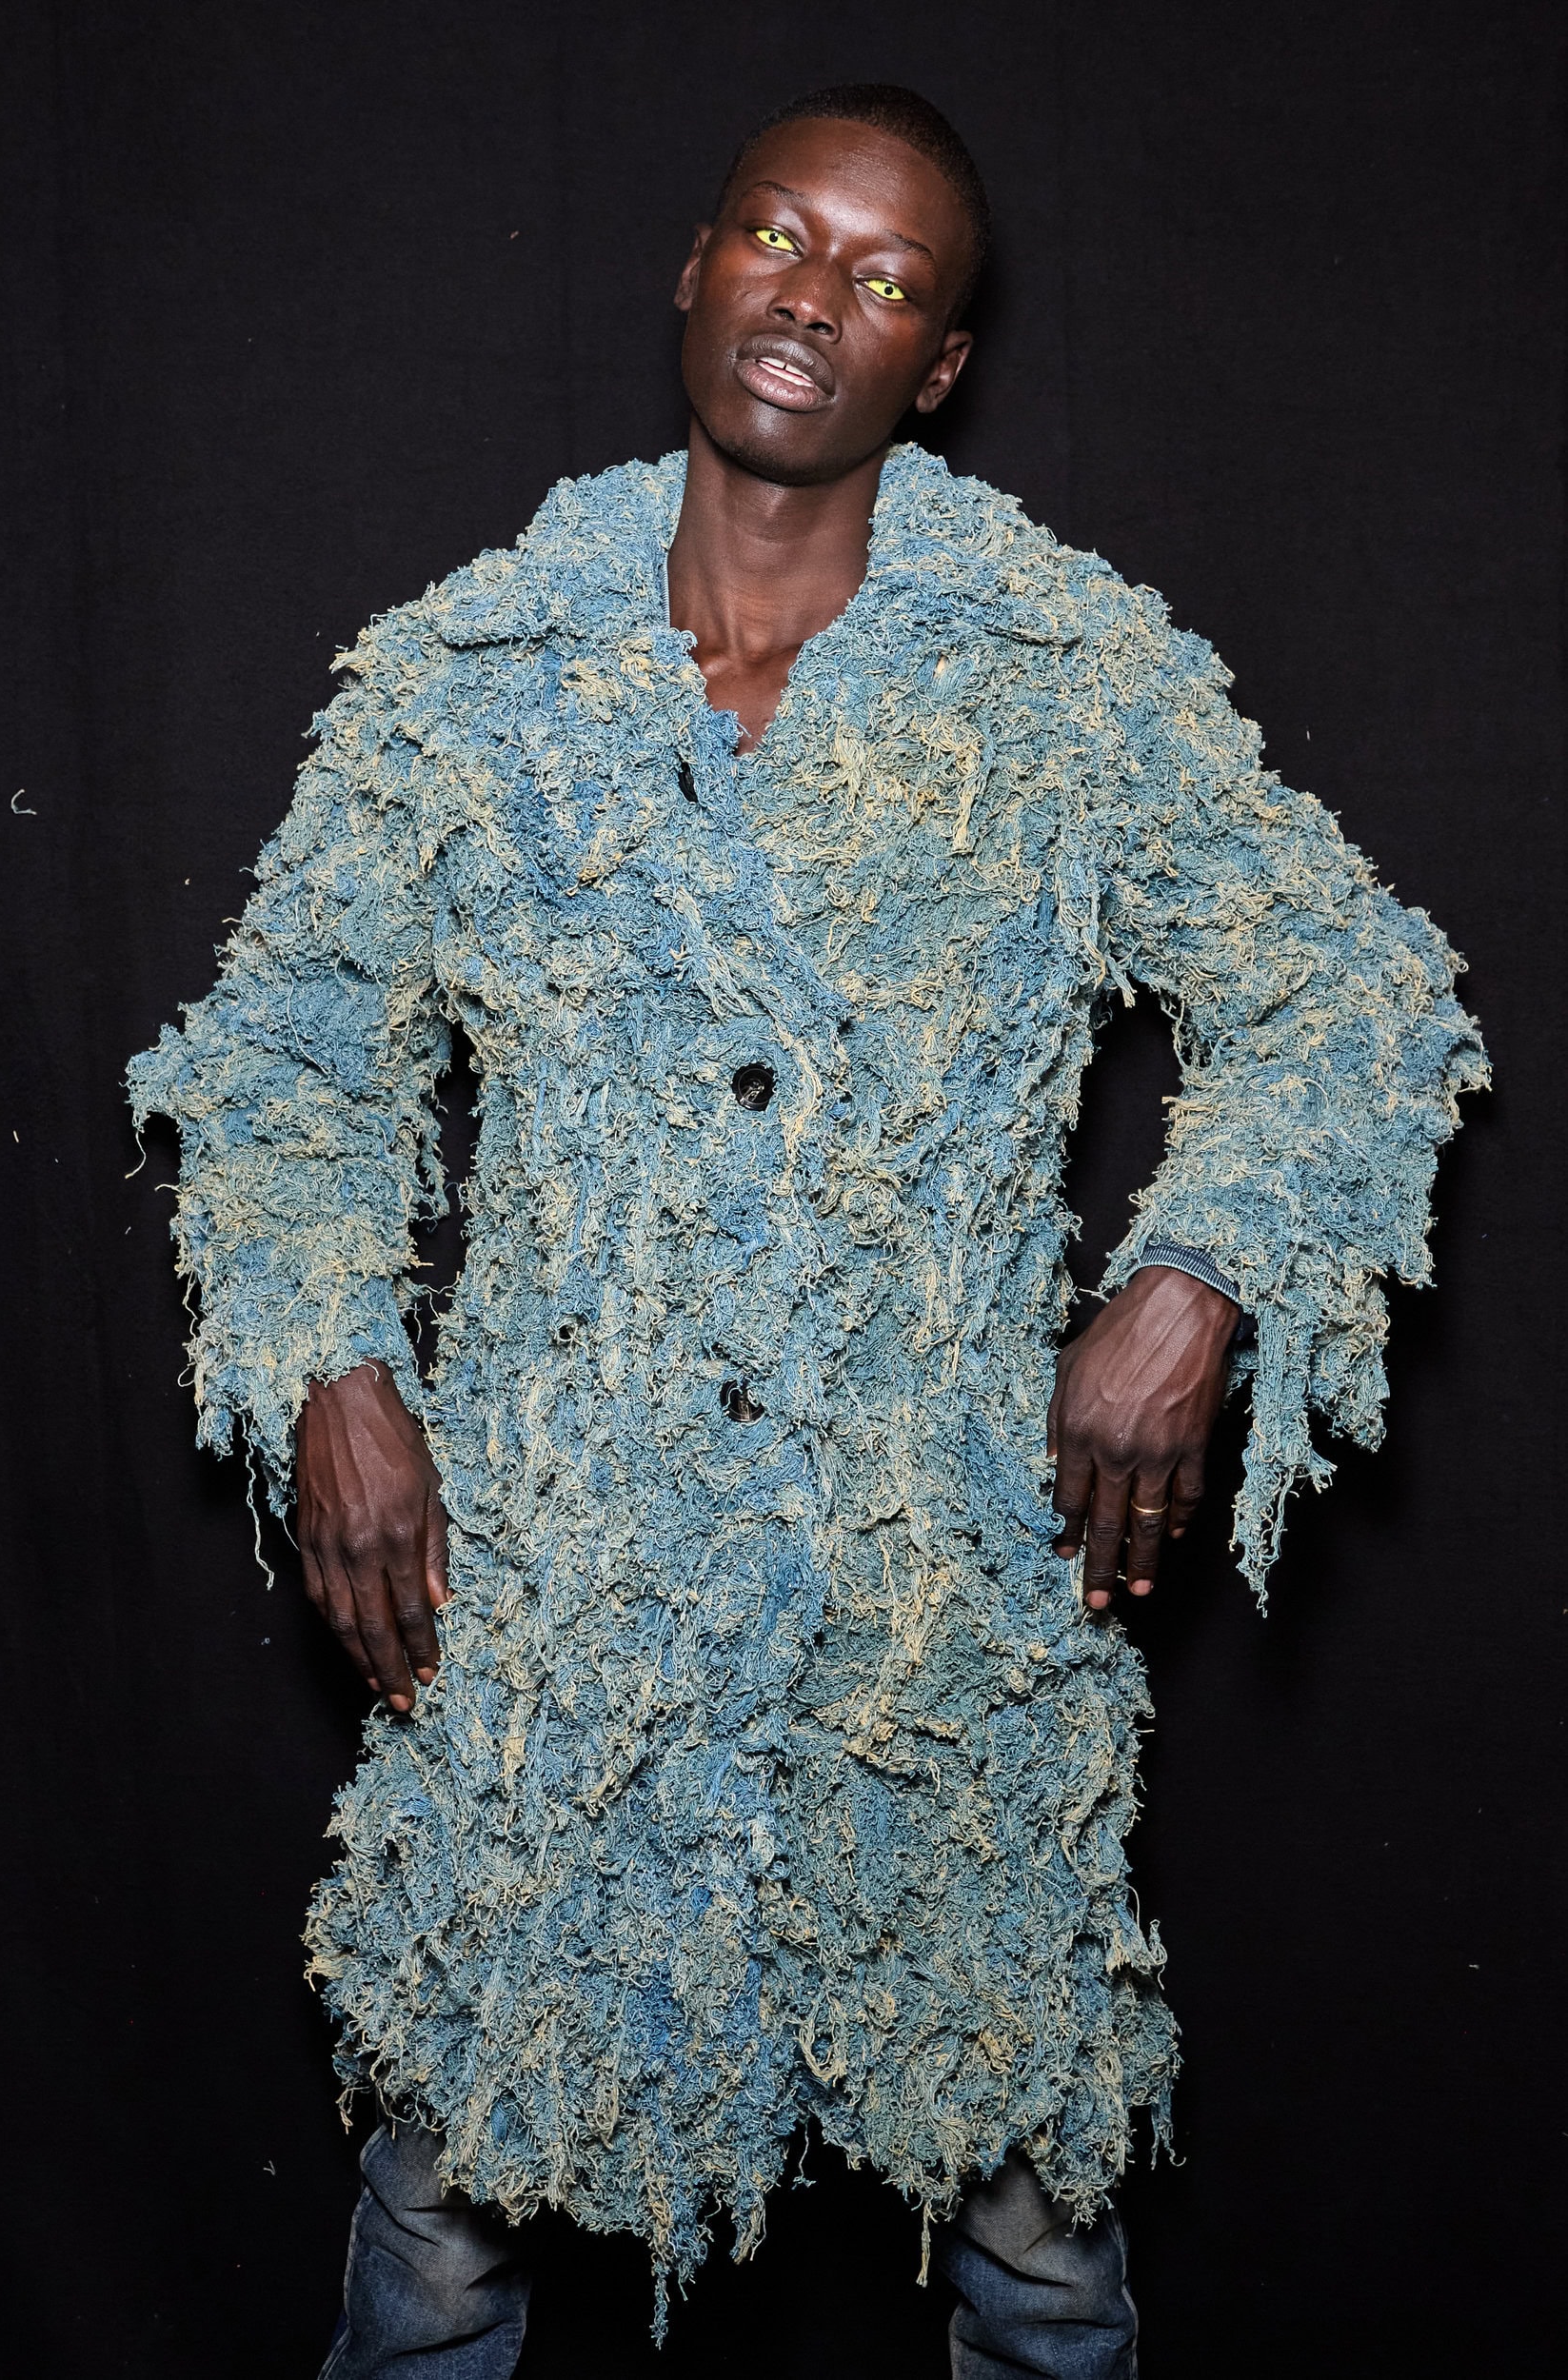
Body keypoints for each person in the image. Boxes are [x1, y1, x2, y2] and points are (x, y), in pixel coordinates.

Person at [129, 84, 1484, 2379]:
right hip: (559, 1618)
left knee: (1037, 2230)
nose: (811, 293)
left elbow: (1356, 997)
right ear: (696, 264)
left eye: (884, 276)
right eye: (779, 232)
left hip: (939, 1621)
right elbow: (281, 1066)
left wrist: (1193, 1282)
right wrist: (333, 1367)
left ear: (935, 364)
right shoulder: (472, 673)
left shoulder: (1058, 675)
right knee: (442, 2215)